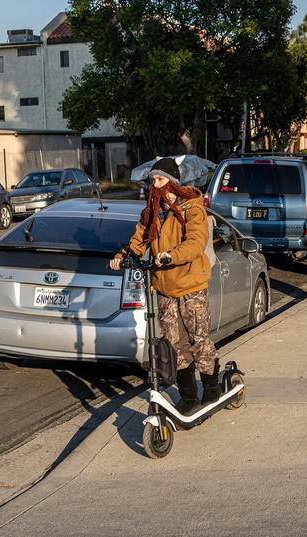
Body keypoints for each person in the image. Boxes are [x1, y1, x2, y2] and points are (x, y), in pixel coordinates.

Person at [110, 157, 220, 415]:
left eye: (158, 180)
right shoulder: (153, 212)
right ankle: (189, 396)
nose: (154, 185)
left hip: (191, 286)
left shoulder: (193, 210)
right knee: (174, 344)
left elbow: (195, 242)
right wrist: (121, 257)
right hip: (165, 288)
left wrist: (172, 254)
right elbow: (138, 240)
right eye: (152, 180)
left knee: (199, 340)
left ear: (171, 182)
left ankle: (212, 389)